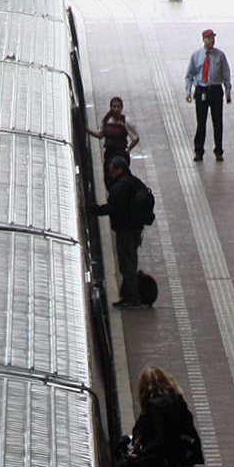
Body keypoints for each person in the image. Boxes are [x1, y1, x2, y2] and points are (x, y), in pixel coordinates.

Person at [95, 156, 146, 308]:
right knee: (131, 261)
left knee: (127, 264)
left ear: (119, 170)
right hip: (136, 229)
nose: (110, 175)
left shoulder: (121, 187)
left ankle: (132, 297)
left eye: (112, 172)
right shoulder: (134, 181)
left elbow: (112, 208)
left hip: (126, 231)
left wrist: (94, 209)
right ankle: (129, 294)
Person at [185, 29, 232, 162]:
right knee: (201, 122)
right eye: (208, 38)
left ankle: (218, 151)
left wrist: (228, 91)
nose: (211, 41)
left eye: (213, 38)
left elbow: (226, 74)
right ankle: (199, 151)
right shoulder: (196, 56)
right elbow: (189, 75)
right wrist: (188, 91)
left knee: (217, 122)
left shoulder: (220, 55)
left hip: (215, 90)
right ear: (203, 40)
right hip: (202, 90)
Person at [88, 96, 140, 189]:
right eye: (114, 107)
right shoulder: (107, 121)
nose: (116, 109)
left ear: (121, 108)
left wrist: (128, 150)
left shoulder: (125, 122)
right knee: (109, 178)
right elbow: (100, 135)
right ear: (111, 108)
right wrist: (87, 131)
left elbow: (135, 138)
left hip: (121, 154)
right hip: (109, 154)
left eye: (118, 107)